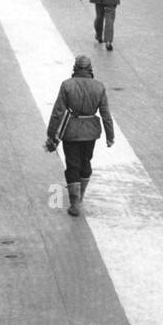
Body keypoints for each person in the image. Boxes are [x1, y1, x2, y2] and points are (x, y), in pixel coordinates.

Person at [46, 56, 114, 217]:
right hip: (91, 132)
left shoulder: (67, 85)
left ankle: (75, 203)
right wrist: (110, 136)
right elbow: (106, 114)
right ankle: (81, 196)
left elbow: (58, 112)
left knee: (72, 165)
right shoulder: (99, 87)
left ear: (75, 68)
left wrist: (51, 134)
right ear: (90, 69)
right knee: (86, 162)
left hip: (70, 132)